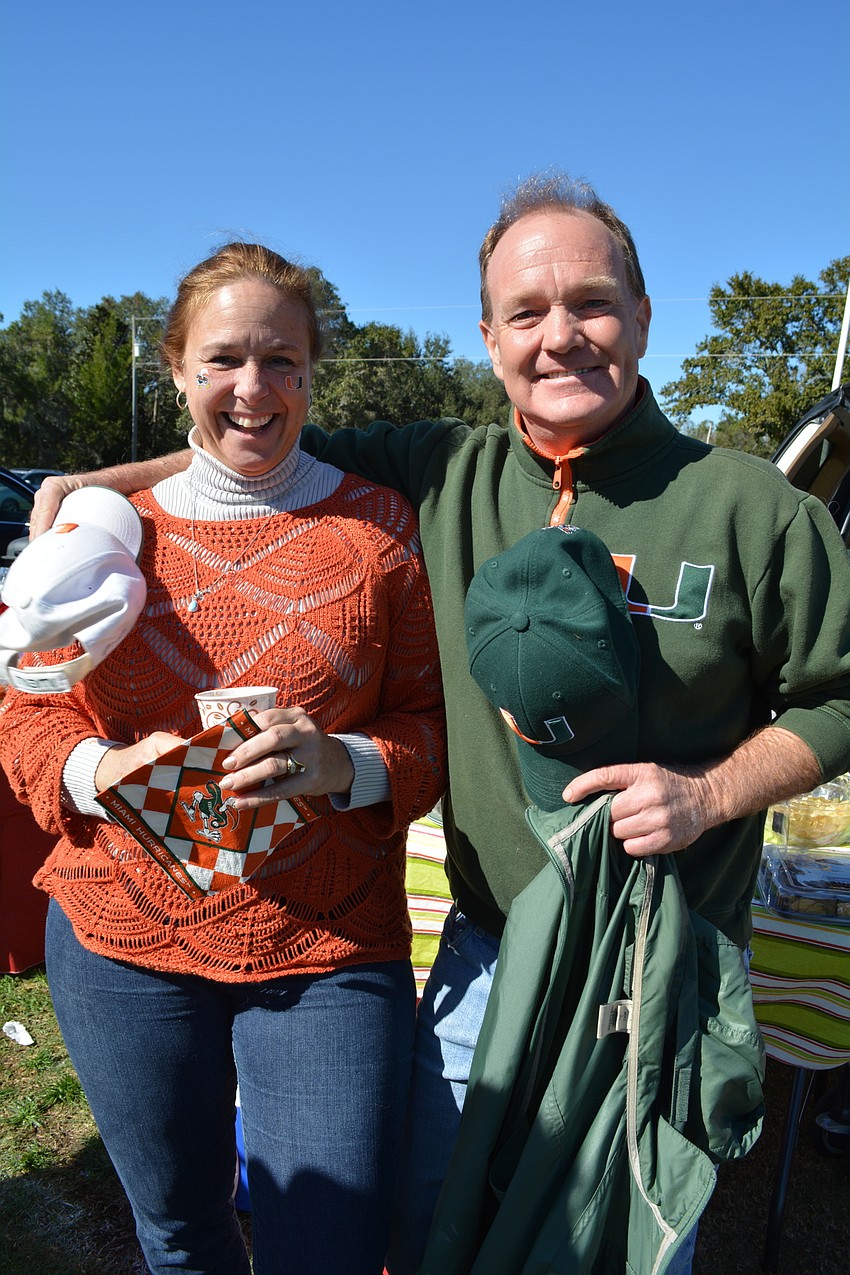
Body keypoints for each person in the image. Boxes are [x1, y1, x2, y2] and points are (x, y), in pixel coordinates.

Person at [32, 176, 850, 1273]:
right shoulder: (448, 469)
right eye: (526, 312)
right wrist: (94, 491)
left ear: (645, 316)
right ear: (489, 337)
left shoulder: (752, 507)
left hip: (660, 967)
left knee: (622, 1245)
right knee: (426, 1235)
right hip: (486, 949)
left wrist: (708, 794)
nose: (559, 336)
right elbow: (248, 446)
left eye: (592, 303)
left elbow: (840, 695)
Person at [0, 243, 447, 1275]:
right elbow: (25, 710)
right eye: (224, 360)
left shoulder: (379, 530)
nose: (253, 387)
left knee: (329, 1250)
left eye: (281, 360)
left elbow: (430, 728)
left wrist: (342, 762)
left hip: (329, 946)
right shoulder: (107, 533)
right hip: (119, 942)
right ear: (177, 372)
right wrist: (98, 773)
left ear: (313, 372)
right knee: (180, 1235)